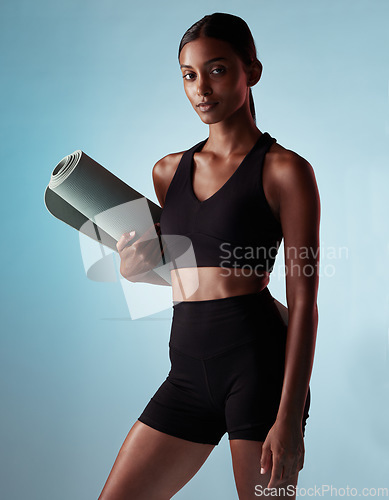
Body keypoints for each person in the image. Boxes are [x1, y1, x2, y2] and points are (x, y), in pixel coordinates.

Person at [99, 12, 320, 500]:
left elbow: (303, 302)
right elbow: (195, 271)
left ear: (251, 72)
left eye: (217, 70)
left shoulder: (286, 171)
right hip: (187, 373)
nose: (201, 88)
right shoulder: (167, 171)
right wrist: (137, 271)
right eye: (189, 75)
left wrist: (289, 421)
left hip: (258, 370)